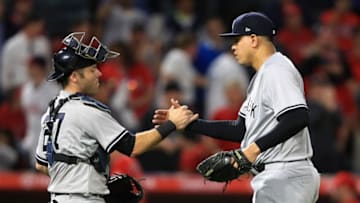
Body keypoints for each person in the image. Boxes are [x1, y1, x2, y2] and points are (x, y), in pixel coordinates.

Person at [153, 12, 320, 203]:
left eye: (237, 40)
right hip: (278, 176)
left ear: (253, 39)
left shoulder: (277, 70)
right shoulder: (262, 76)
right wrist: (190, 124)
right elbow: (241, 129)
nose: (233, 47)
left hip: (286, 175)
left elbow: (297, 117)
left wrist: (252, 150)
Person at [34, 32, 197, 203]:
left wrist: (75, 176)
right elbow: (133, 146)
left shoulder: (52, 110)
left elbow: (42, 165)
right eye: (91, 70)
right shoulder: (87, 110)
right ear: (74, 77)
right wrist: (172, 123)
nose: (99, 74)